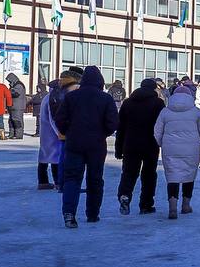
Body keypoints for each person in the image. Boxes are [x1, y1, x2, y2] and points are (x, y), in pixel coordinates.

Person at [54, 66, 119, 228]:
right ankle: (93, 213)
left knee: (72, 178)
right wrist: (102, 132)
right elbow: (113, 123)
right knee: (95, 179)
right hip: (96, 145)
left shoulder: (71, 97)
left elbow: (60, 119)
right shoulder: (106, 99)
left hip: (74, 143)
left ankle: (69, 213)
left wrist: (67, 132)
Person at [153, 81, 200, 219]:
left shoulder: (165, 111)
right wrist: (198, 138)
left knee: (172, 176)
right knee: (188, 175)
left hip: (170, 148)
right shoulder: (195, 112)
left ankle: (172, 207)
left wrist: (161, 143)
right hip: (191, 149)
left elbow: (157, 131)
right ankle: (185, 205)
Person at [115, 79, 166, 214]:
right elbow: (162, 126)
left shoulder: (127, 103)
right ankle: (146, 204)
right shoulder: (158, 103)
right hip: (150, 143)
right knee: (149, 174)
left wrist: (118, 149)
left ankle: (125, 195)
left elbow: (121, 128)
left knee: (129, 173)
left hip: (130, 143)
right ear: (154, 89)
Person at [38, 68, 81, 190]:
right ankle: (57, 181)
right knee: (56, 155)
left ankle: (43, 181)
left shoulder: (51, 95)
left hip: (47, 130)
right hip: (53, 131)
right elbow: (54, 115)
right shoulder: (57, 96)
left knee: (45, 155)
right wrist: (60, 132)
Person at [6, 72, 27, 139]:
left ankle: (19, 135)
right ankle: (12, 134)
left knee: (17, 121)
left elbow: (16, 93)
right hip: (13, 106)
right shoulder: (14, 85)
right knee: (11, 120)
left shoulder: (19, 85)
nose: (9, 81)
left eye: (9, 80)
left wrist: (8, 91)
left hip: (18, 106)